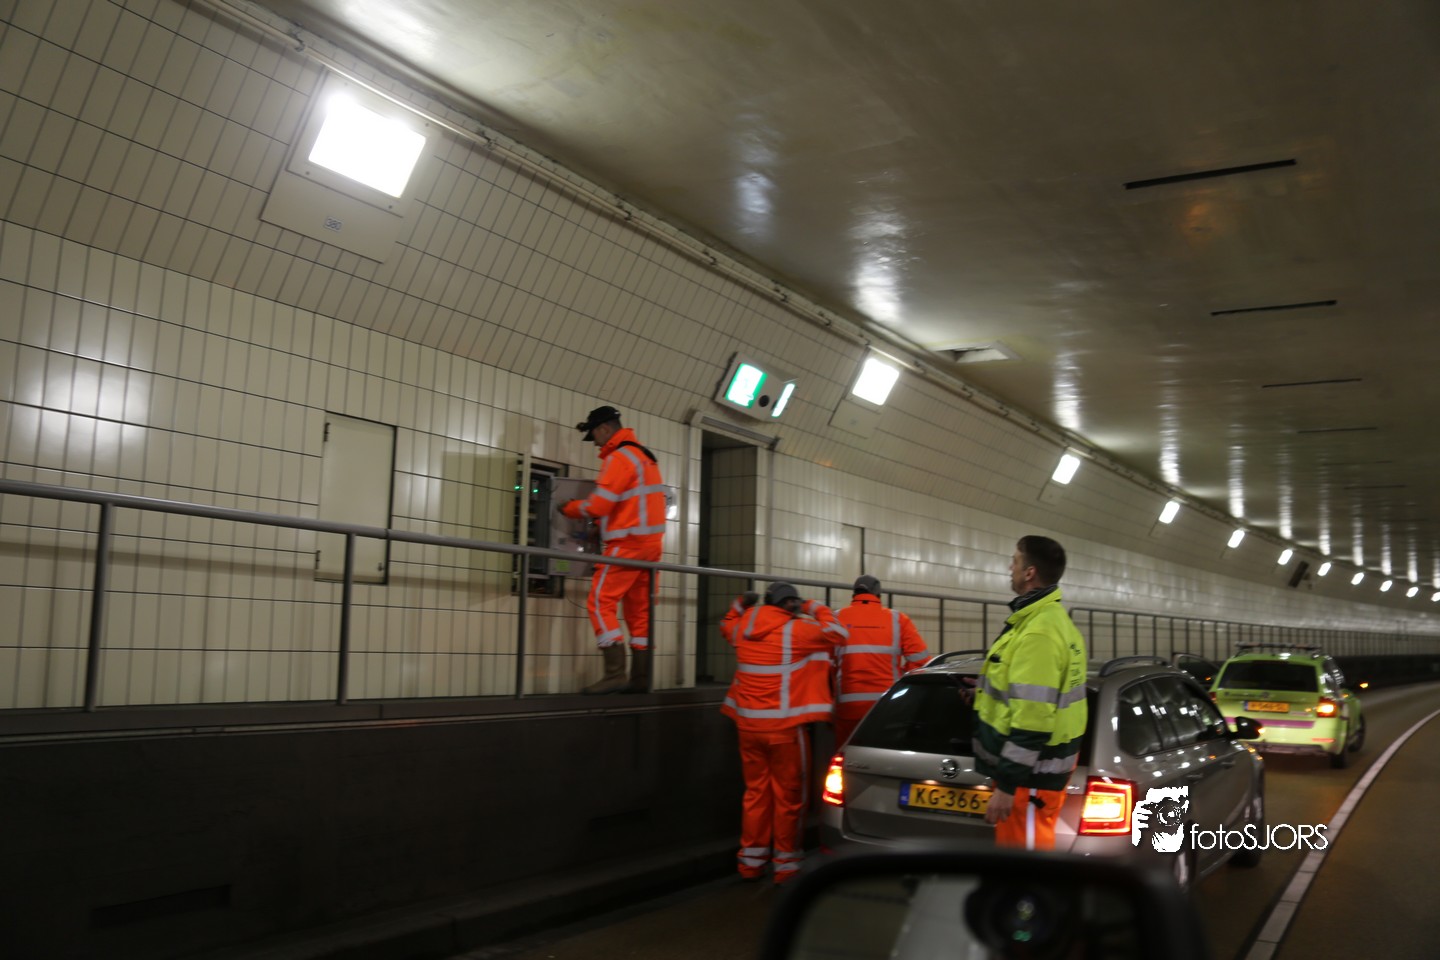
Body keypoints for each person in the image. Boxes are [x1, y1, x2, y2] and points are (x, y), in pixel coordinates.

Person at [720, 582, 849, 884]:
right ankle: (785, 865)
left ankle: (750, 863)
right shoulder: (797, 631)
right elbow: (839, 634)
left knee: (755, 794)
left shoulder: (742, 629)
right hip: (784, 730)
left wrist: (741, 603)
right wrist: (812, 606)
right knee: (789, 796)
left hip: (748, 728)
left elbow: (725, 624)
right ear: (790, 604)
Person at [973, 535, 1089, 850]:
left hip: (1029, 781)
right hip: (1033, 777)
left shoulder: (1039, 632)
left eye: (1014, 561)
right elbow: (1027, 695)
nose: (1009, 567)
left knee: (1026, 870)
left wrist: (1008, 786)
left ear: (1029, 572)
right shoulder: (1045, 621)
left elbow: (1033, 719)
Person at [561, 405, 667, 694]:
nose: (596, 444)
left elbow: (599, 504)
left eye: (594, 436)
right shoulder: (645, 457)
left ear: (604, 428)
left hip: (627, 546)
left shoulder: (619, 457)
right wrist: (602, 525)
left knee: (599, 602)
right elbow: (630, 505)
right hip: (651, 548)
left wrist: (569, 509)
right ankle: (641, 679)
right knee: (640, 613)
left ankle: (615, 674)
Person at [832, 575, 932, 745]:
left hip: (848, 708)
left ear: (854, 594)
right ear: (878, 596)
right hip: (886, 706)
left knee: (848, 756)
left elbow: (825, 663)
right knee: (882, 755)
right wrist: (898, 676)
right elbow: (922, 661)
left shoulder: (836, 618)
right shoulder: (898, 619)